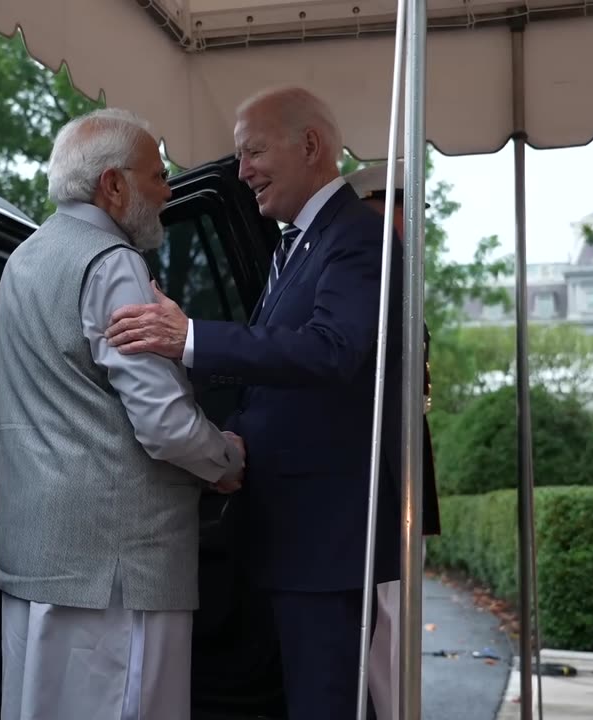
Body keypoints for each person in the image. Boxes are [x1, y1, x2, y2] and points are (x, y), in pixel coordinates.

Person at [105, 86, 405, 719]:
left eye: (254, 153)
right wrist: (226, 446)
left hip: (324, 537)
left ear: (312, 146)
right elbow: (272, 383)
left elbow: (331, 352)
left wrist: (193, 338)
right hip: (290, 530)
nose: (242, 173)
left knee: (324, 702)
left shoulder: (358, 238)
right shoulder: (296, 243)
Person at [0, 107, 246, 720]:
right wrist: (225, 458)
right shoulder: (113, 265)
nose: (165, 190)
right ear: (113, 185)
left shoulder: (22, 259)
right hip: (119, 571)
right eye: (156, 175)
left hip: (38, 557)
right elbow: (162, 423)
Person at [344, 161, 443, 720]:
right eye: (409, 209)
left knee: (396, 632)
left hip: (396, 476)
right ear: (375, 208)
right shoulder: (371, 277)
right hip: (376, 481)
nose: (416, 222)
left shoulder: (398, 276)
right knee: (386, 637)